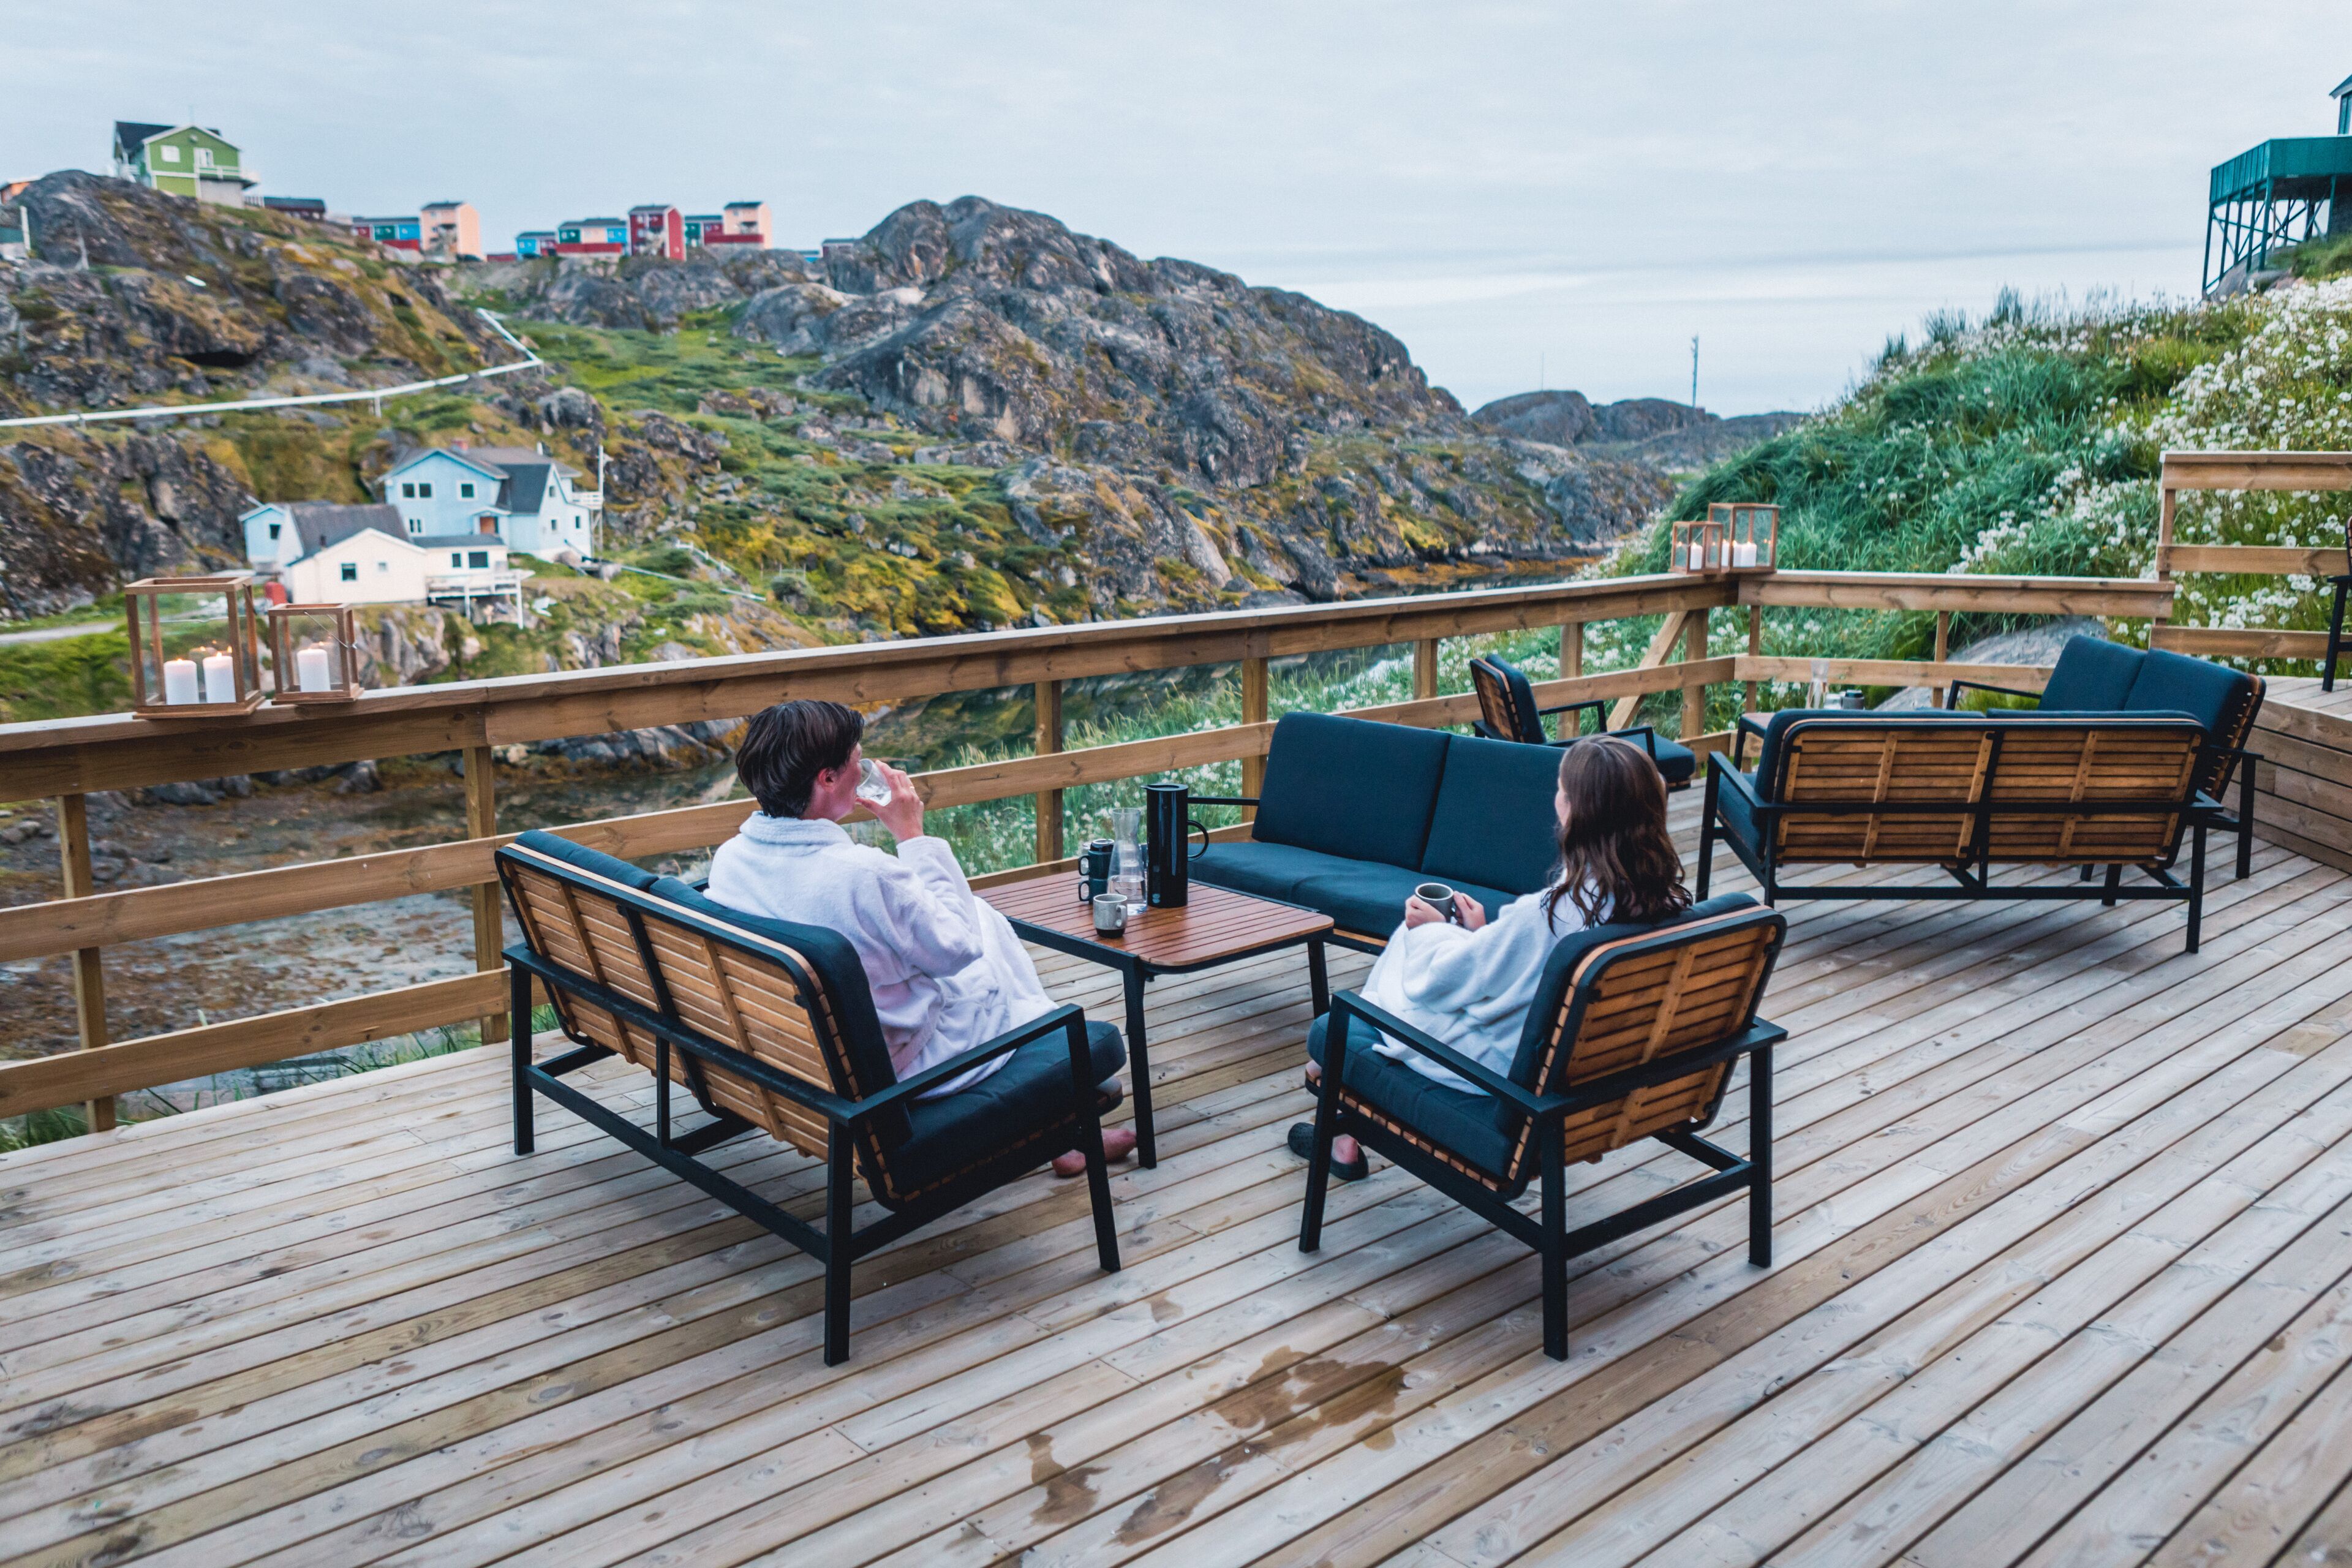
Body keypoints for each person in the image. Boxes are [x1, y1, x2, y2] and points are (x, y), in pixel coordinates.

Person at [707, 699, 1137, 1177]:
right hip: (903, 1067)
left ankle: (1064, 1130)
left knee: (975, 923)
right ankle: (1068, 1125)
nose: (865, 772)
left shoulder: (732, 859)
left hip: (802, 1053)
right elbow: (958, 947)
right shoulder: (863, 875)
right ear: (827, 779)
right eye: (858, 763)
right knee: (985, 931)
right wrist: (911, 834)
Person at [1292, 734, 1692, 1180]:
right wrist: (1485, 937)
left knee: (1398, 955)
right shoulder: (1672, 909)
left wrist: (1436, 931)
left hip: (1509, 1086)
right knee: (1426, 957)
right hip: (1606, 1080)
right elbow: (1519, 972)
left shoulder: (1548, 916)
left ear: (1575, 810)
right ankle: (1339, 1101)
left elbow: (1442, 981)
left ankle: (1335, 1094)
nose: (1556, 800)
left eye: (1561, 791)